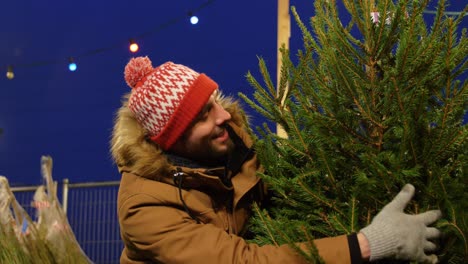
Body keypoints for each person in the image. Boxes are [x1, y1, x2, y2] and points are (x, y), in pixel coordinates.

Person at [111, 56, 442, 263]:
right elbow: (244, 261)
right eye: (202, 116)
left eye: (214, 101)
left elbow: (288, 191)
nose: (223, 115)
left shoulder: (234, 149)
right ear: (171, 139)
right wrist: (371, 243)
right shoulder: (144, 208)